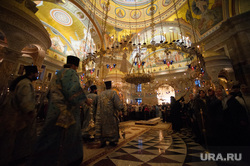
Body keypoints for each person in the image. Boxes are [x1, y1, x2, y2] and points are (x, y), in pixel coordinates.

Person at [29, 56, 92, 166]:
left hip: (54, 111)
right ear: (74, 66)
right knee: (65, 136)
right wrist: (86, 100)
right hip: (67, 113)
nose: (76, 70)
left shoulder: (58, 74)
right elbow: (73, 92)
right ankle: (67, 160)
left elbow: (48, 94)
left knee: (50, 135)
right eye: (76, 68)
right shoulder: (71, 73)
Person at [0, 65, 38, 166]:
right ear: (32, 73)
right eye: (36, 73)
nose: (37, 75)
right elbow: (26, 102)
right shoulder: (25, 84)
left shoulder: (21, 81)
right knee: (11, 142)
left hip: (12, 115)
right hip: (17, 118)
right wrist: (31, 113)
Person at [95, 81, 123, 147]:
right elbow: (118, 105)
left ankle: (103, 140)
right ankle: (112, 141)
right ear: (110, 86)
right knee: (112, 127)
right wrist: (121, 108)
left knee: (103, 127)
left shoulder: (101, 94)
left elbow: (98, 105)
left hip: (102, 114)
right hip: (111, 114)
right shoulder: (113, 93)